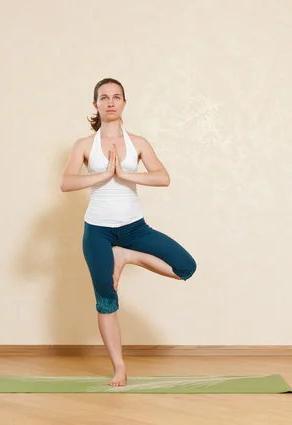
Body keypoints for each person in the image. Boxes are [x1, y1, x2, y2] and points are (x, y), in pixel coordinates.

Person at [59, 78, 197, 386]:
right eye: (104, 97)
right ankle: (119, 367)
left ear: (124, 103)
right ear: (95, 104)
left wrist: (123, 173)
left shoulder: (139, 143)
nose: (110, 101)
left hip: (135, 229)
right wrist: (103, 176)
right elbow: (66, 183)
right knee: (106, 300)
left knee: (186, 267)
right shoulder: (84, 145)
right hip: (98, 231)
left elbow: (163, 178)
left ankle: (127, 255)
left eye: (116, 97)